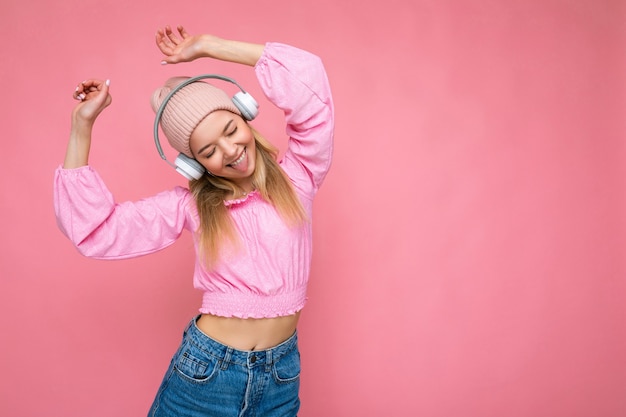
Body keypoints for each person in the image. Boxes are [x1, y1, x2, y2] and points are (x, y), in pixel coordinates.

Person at [54, 24, 334, 417]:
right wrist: (82, 125)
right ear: (193, 163)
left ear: (246, 115)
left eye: (231, 129)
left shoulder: (299, 176)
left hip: (282, 376)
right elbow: (97, 230)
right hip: (206, 374)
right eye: (208, 150)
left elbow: (309, 78)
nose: (231, 151)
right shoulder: (189, 206)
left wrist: (210, 47)